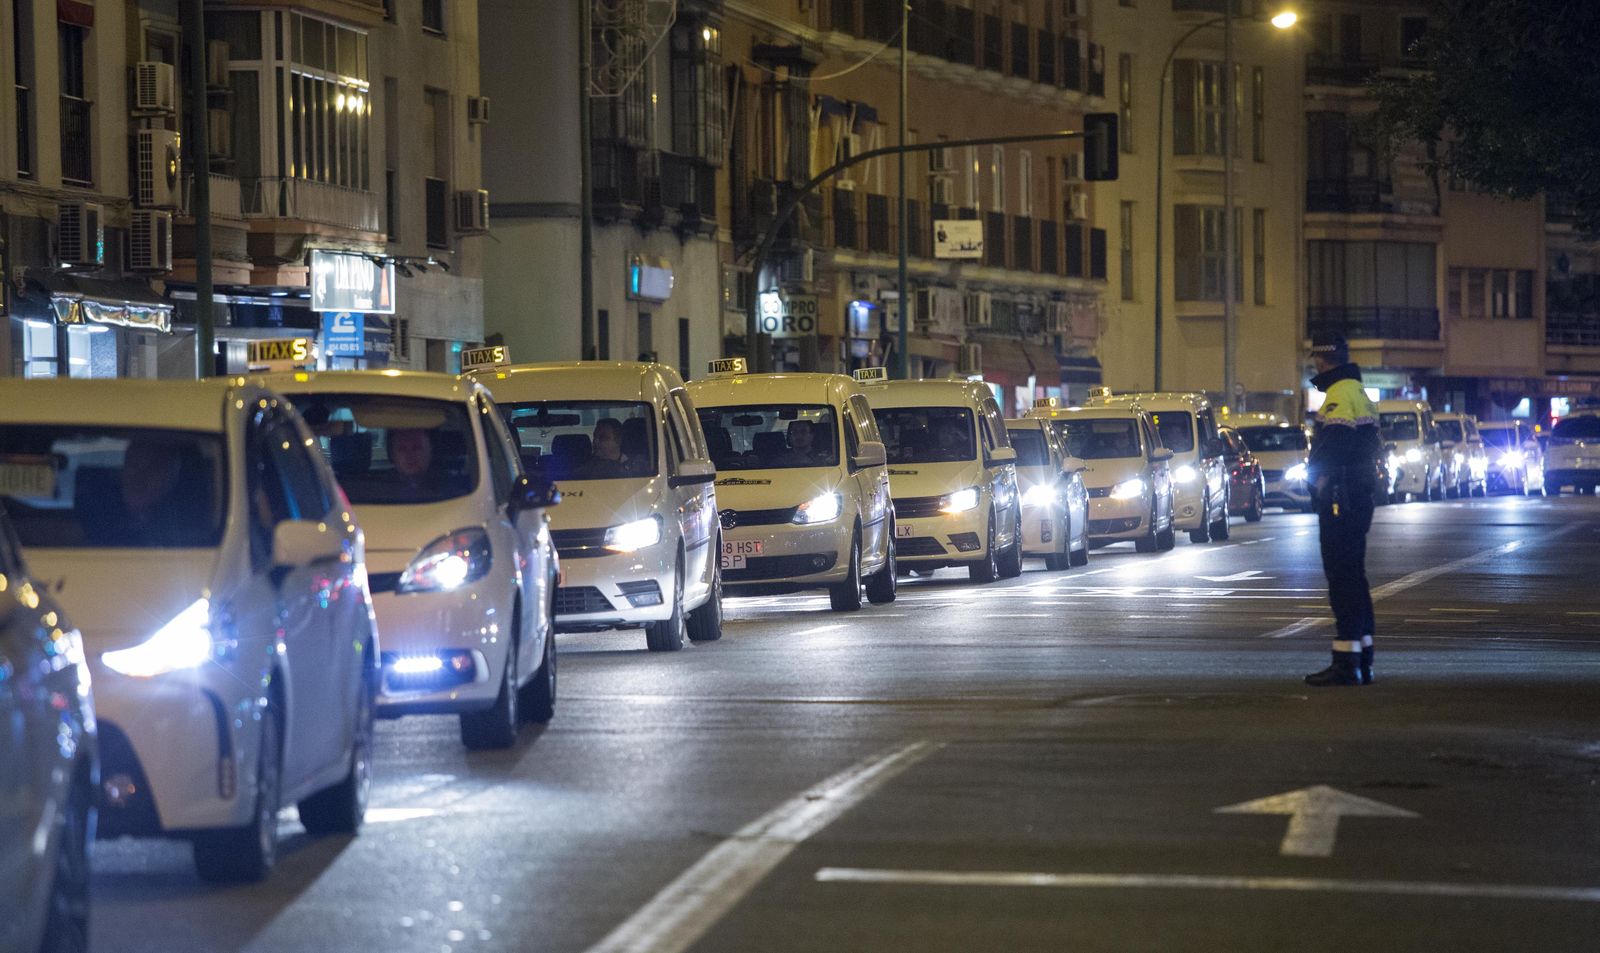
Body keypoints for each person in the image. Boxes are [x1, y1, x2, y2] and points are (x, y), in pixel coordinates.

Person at [1303, 333, 1382, 687]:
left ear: (1322, 361)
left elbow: (1330, 449)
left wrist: (1314, 479)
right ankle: (1362, 657)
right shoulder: (1359, 393)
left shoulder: (1340, 395)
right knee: (1355, 576)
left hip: (1340, 499)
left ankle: (1346, 664)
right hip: (1358, 497)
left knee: (1342, 579)